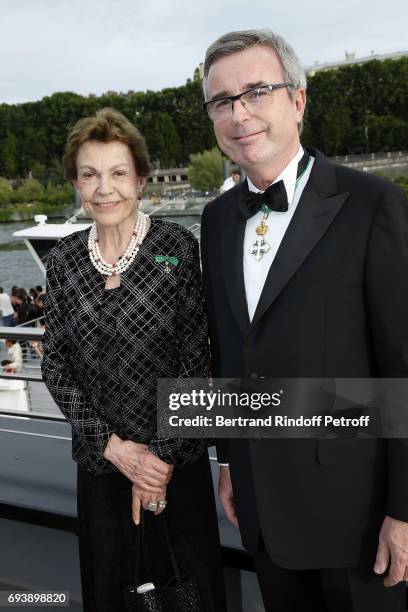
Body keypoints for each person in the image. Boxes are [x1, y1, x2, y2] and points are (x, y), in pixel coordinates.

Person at [200, 29, 408, 612]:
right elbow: (229, 353)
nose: (240, 113)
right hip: (262, 509)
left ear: (298, 100)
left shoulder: (372, 204)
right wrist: (227, 458)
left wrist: (405, 511)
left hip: (358, 522)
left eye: (257, 91)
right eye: (222, 101)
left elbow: (402, 365)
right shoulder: (216, 221)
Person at [41, 108, 226, 612]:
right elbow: (54, 365)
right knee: (110, 594)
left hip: (175, 471)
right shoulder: (64, 262)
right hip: (102, 471)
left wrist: (157, 461)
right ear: (76, 182)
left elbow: (196, 360)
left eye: (118, 173)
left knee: (189, 593)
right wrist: (117, 450)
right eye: (89, 174)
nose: (105, 189)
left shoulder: (176, 249)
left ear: (141, 179)